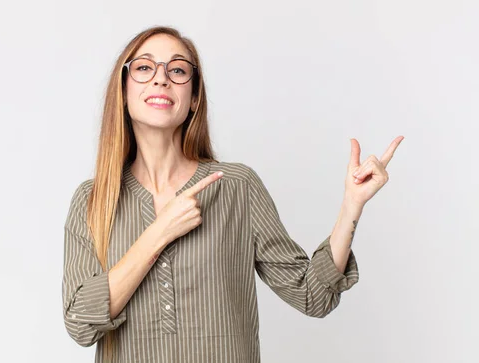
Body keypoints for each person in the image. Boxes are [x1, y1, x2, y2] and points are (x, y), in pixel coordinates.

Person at [62, 25, 404, 363]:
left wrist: (351, 205)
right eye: (144, 67)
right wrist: (158, 233)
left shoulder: (237, 186)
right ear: (123, 90)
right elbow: (80, 324)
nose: (161, 78)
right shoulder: (93, 200)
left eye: (178, 70)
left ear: (194, 98)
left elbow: (312, 295)